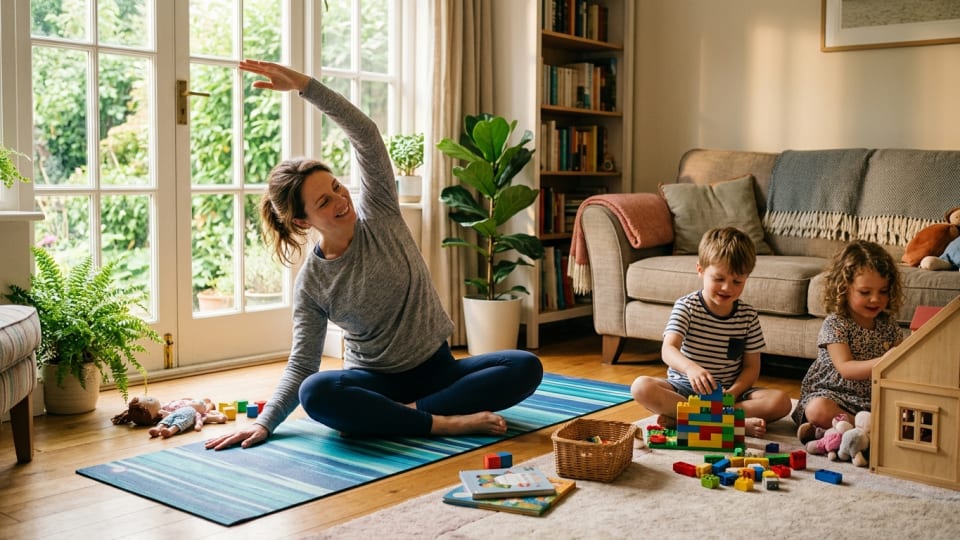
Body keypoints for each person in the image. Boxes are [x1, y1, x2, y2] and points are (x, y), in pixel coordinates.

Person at [205, 60, 543, 450]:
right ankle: (442, 423)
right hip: (374, 381)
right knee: (316, 392)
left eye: (336, 186)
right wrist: (264, 424)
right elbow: (302, 365)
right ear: (302, 221)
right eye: (323, 201)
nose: (340, 200)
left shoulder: (380, 211)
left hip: (438, 370)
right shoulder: (313, 283)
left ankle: (403, 416)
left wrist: (305, 85)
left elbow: (365, 134)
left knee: (524, 367)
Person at [630, 227, 792, 438]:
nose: (727, 288)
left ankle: (687, 420)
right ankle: (732, 426)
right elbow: (668, 349)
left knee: (781, 402)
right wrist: (690, 369)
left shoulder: (748, 316)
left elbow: (751, 368)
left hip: (728, 395)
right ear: (700, 270)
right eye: (719, 278)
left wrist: (733, 393)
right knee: (641, 387)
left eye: (737, 282)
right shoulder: (686, 306)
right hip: (684, 389)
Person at [793, 240, 904, 443]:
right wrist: (885, 360)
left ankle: (834, 432)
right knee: (817, 410)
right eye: (865, 292)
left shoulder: (889, 325)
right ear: (844, 289)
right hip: (835, 396)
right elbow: (846, 368)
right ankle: (868, 431)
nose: (875, 299)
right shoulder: (836, 323)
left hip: (872, 401)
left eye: (883, 291)